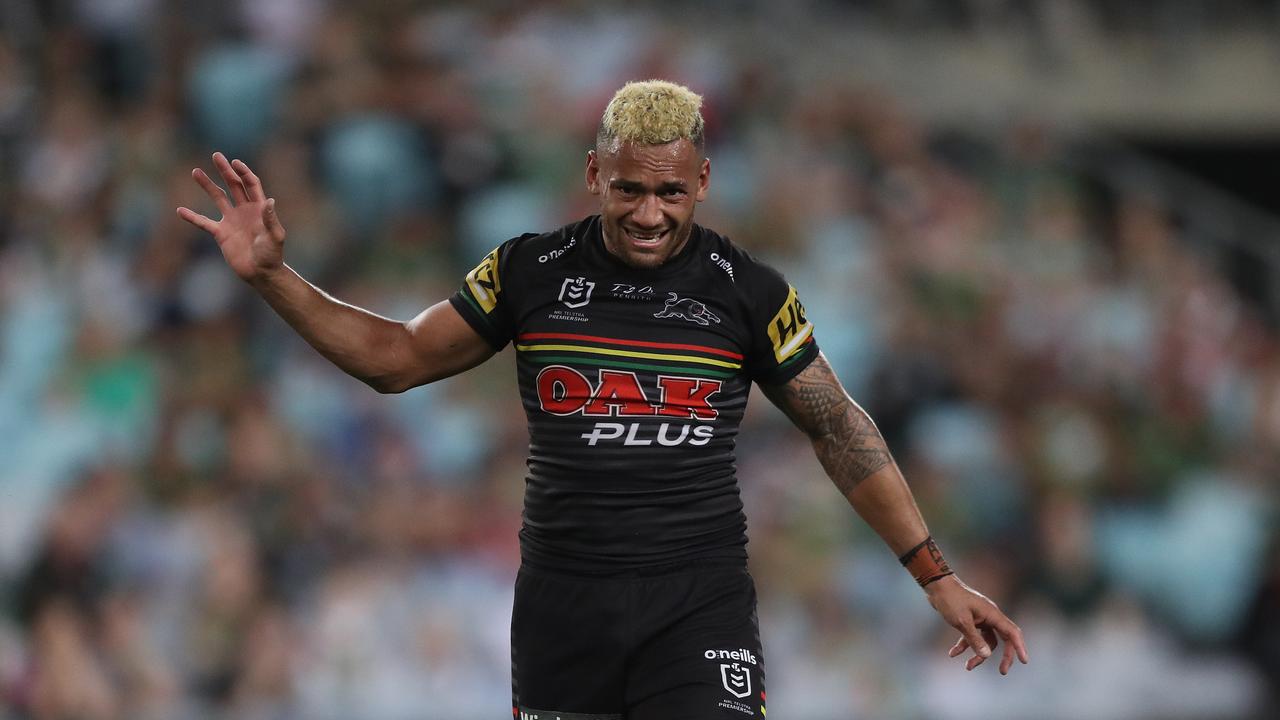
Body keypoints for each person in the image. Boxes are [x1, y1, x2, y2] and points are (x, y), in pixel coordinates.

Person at [178, 79, 1028, 719]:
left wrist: (935, 576)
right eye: (628, 190)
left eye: (670, 191)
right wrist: (272, 278)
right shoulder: (527, 272)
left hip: (699, 600)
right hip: (563, 608)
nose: (650, 213)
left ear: (702, 179)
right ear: (593, 173)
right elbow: (395, 359)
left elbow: (839, 429)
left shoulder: (751, 293)